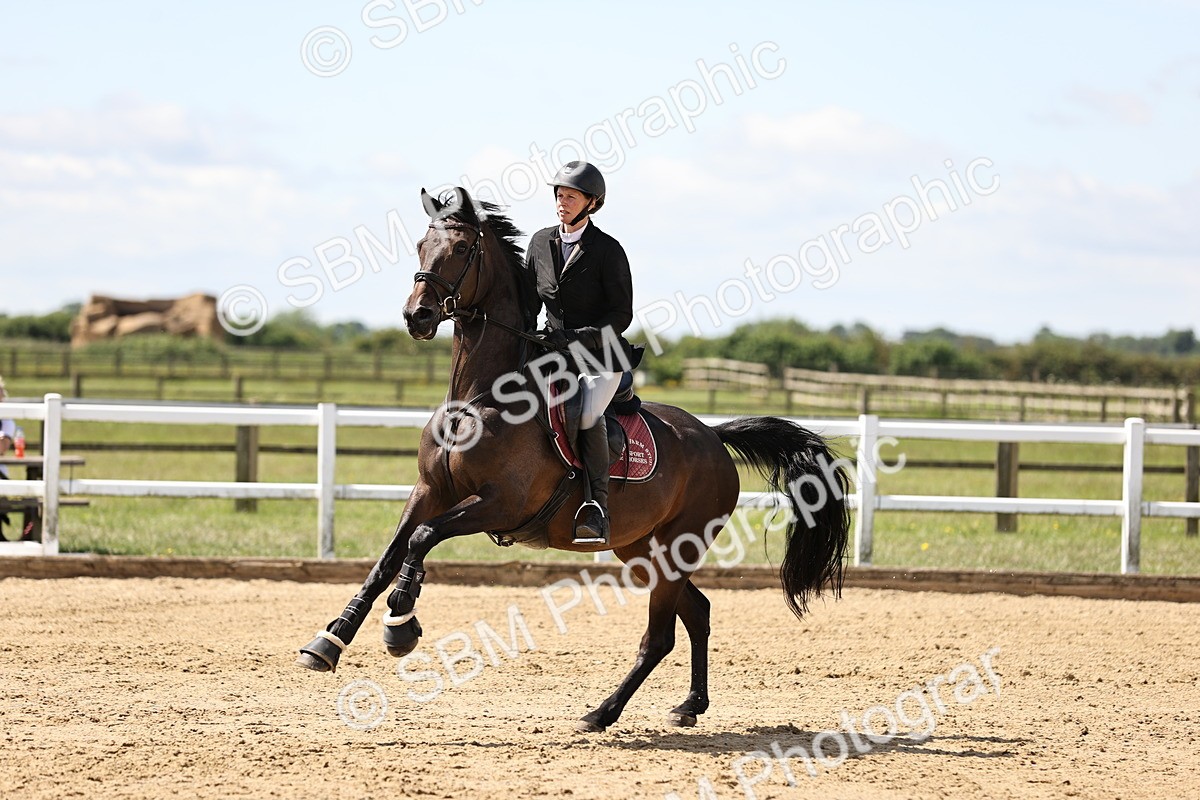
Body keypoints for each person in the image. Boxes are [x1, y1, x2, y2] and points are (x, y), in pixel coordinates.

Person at [521, 161, 637, 546]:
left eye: (570, 196)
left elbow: (621, 315)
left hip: (599, 358)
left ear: (592, 203)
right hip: (551, 353)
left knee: (587, 412)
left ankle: (595, 506)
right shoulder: (539, 243)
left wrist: (573, 337)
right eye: (558, 195)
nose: (561, 201)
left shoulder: (607, 250)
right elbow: (527, 303)